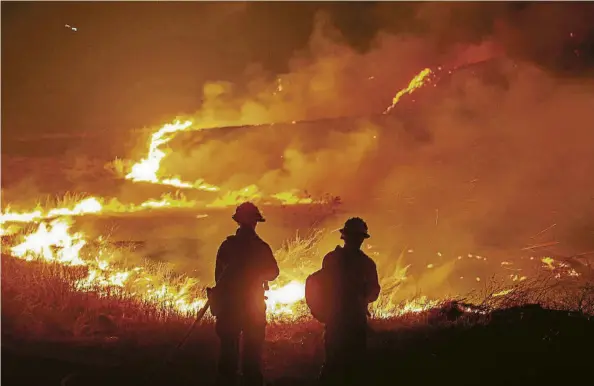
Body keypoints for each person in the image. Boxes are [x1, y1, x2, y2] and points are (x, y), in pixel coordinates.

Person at [210, 202, 280, 386]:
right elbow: (273, 273)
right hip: (251, 307)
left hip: (232, 307)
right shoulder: (260, 247)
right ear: (255, 222)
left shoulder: (228, 246)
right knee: (251, 357)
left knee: (229, 356)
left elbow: (219, 276)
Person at [318, 217, 381, 386]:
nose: (357, 241)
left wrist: (362, 299)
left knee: (342, 365)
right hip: (344, 322)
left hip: (345, 322)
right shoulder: (362, 263)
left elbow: (374, 291)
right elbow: (374, 292)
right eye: (356, 237)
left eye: (358, 237)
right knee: (341, 366)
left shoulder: (334, 259)